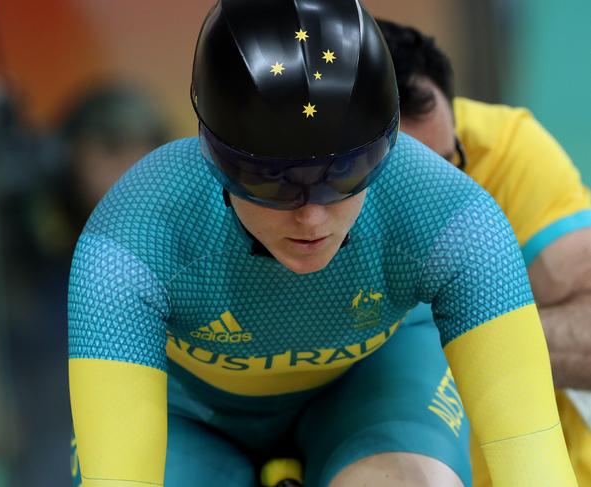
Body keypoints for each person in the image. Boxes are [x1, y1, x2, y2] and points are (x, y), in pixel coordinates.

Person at [69, 1, 577, 486]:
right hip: (186, 416)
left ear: (389, 147)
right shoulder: (131, 240)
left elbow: (531, 457)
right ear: (214, 158)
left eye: (347, 173)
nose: (311, 216)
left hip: (374, 383)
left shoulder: (449, 215)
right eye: (271, 180)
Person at [377, 19, 591, 486]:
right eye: (404, 183)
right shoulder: (297, 202)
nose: (435, 198)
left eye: (450, 165)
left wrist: (461, 334)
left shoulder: (506, 148)